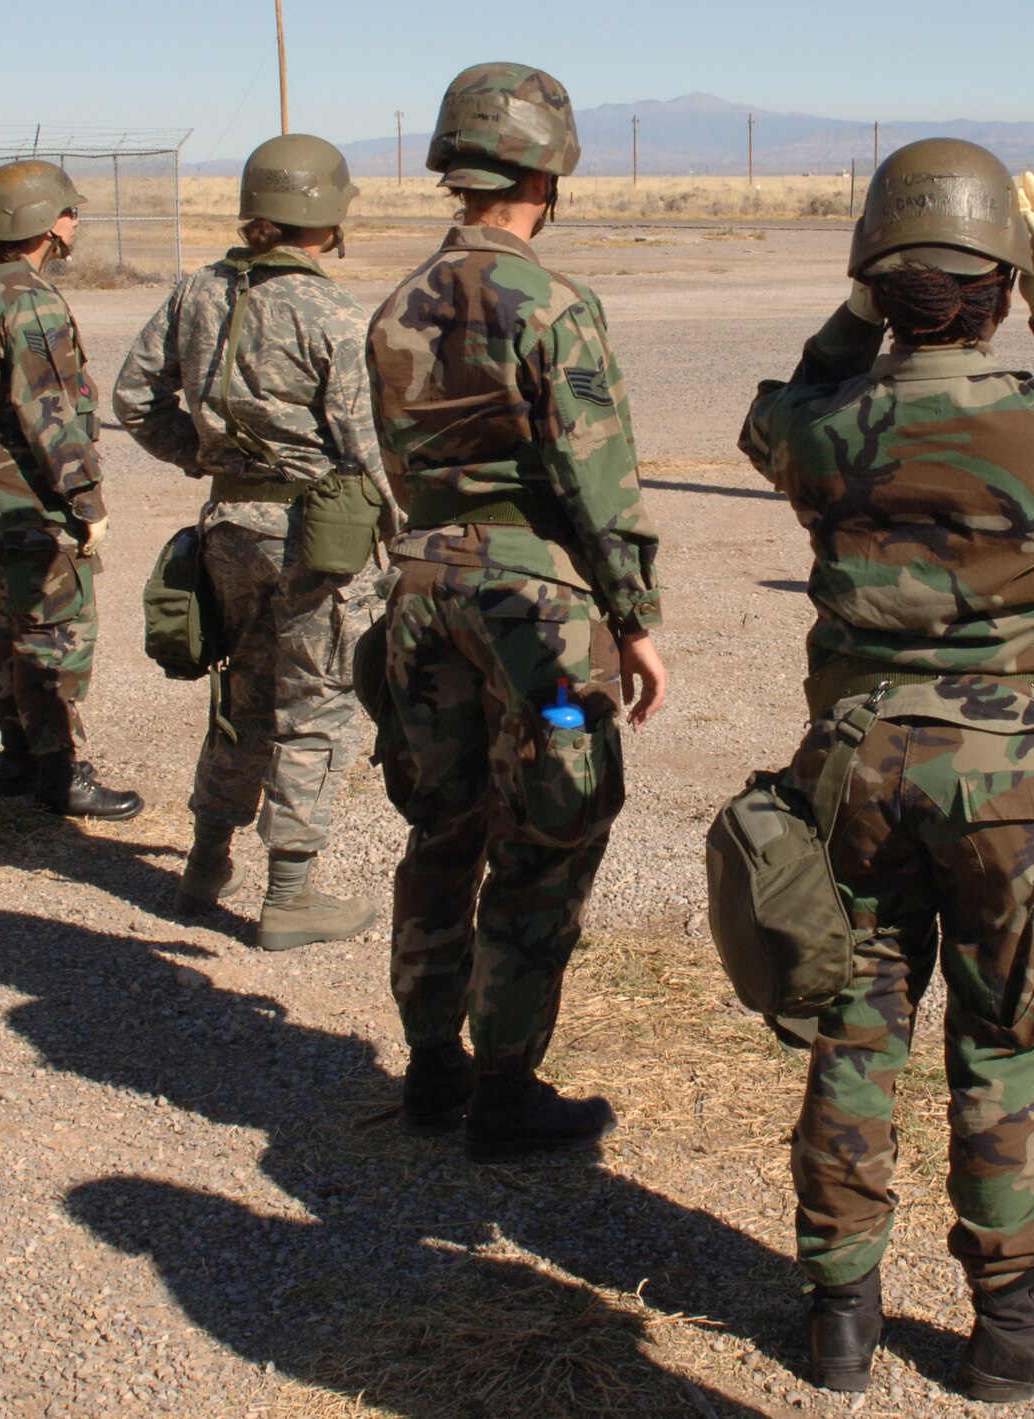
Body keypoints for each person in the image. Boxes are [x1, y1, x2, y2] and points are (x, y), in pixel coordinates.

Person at [738, 140, 1034, 1402]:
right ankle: (1011, 1319)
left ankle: (837, 1313)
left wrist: (853, 311)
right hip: (1011, 779)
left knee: (854, 1028)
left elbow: (772, 411)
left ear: (876, 280)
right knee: (1007, 1040)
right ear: (1001, 286)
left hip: (855, 769)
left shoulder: (821, 428)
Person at [365, 62, 667, 1159]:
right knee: (550, 827)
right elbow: (598, 472)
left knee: (442, 824)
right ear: (547, 171)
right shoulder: (551, 305)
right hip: (532, 610)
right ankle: (503, 1086)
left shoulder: (396, 304)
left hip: (422, 591)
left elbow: (398, 464)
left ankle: (431, 1066)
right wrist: (632, 614)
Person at [113, 134, 386, 949]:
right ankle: (290, 896)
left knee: (242, 695)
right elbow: (368, 448)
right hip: (314, 538)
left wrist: (201, 455)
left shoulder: (195, 291)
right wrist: (407, 542)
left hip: (229, 526)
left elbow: (134, 397)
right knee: (314, 704)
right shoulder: (334, 313)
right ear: (326, 215)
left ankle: (205, 863)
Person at [0, 161, 139, 819]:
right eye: (67, 210)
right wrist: (86, 497)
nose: (75, 221)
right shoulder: (27, 297)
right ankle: (60, 772)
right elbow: (50, 413)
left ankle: (20, 759)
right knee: (57, 631)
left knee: (15, 621)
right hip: (33, 493)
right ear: (42, 222)